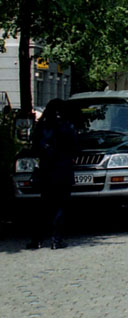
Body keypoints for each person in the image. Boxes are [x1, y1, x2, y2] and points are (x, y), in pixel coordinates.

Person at [27, 99, 77, 250]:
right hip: (63, 169)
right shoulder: (67, 126)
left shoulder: (41, 126)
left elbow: (34, 147)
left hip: (46, 169)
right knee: (61, 205)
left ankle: (37, 240)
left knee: (43, 205)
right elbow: (75, 147)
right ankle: (57, 239)